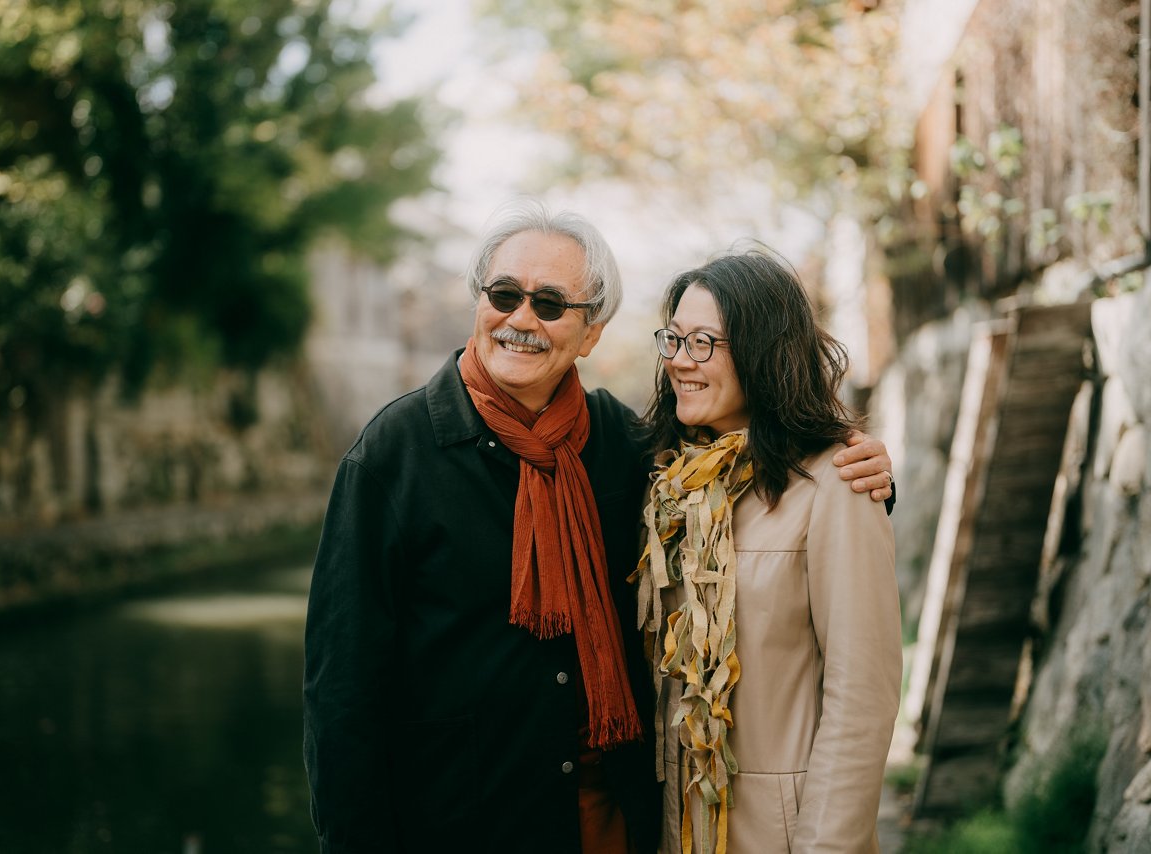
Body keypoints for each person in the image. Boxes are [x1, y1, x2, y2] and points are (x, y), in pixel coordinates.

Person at [302, 202, 895, 854]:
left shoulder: (626, 447)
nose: (521, 319)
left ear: (591, 333)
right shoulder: (394, 456)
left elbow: (759, 481)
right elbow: (342, 696)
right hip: (457, 827)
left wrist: (867, 478)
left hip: (614, 825)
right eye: (504, 295)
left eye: (551, 304)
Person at [633, 246, 902, 853]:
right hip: (678, 831)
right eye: (673, 340)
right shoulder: (666, 485)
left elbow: (862, 697)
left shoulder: (838, 482)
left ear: (763, 353)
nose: (680, 361)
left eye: (704, 343)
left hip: (782, 835)